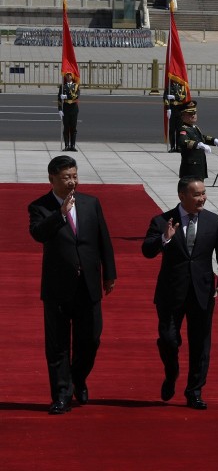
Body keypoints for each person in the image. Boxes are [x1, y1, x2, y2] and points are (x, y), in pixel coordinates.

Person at [28, 155, 117, 414]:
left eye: (75, 176)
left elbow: (104, 240)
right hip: (58, 287)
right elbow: (37, 234)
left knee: (91, 339)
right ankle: (62, 395)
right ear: (52, 179)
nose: (72, 181)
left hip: (88, 283)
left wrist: (109, 273)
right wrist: (60, 214)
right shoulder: (40, 206)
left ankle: (78, 377)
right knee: (57, 345)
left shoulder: (91, 203)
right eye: (66, 177)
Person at [141, 177, 218, 409]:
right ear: (182, 196)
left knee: (201, 343)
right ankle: (171, 374)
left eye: (203, 193)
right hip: (171, 292)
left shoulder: (215, 222)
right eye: (196, 194)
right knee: (169, 339)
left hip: (202, 291)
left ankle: (194, 391)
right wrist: (165, 238)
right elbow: (147, 251)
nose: (202, 198)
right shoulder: (163, 220)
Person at [176, 100, 218, 180]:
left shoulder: (194, 127)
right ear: (183, 116)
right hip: (190, 167)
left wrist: (214, 140)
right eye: (190, 114)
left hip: (199, 165)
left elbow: (202, 137)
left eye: (195, 113)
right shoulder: (183, 129)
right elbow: (183, 141)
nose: (193, 115)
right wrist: (198, 145)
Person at [58, 72, 80, 151]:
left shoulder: (76, 86)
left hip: (74, 108)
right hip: (66, 108)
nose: (68, 76)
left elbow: (76, 96)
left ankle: (73, 145)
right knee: (66, 127)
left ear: (72, 76)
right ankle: (67, 145)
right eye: (67, 75)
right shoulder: (62, 86)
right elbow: (59, 99)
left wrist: (67, 96)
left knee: (73, 128)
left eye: (70, 75)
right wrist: (60, 109)